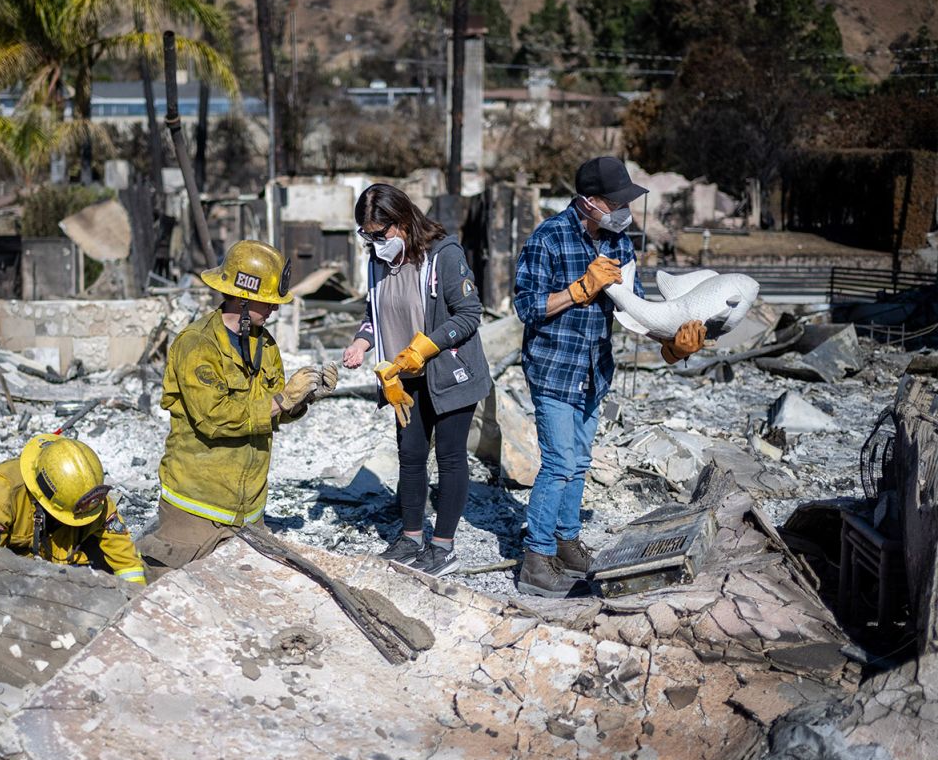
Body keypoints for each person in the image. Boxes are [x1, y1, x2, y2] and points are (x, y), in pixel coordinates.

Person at [513, 156, 707, 598]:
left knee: (579, 463)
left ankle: (565, 541)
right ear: (588, 201)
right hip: (554, 368)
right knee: (560, 462)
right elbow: (526, 307)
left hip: (593, 371)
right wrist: (579, 290)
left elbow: (636, 317)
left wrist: (674, 346)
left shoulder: (620, 245)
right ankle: (536, 558)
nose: (624, 210)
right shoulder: (549, 238)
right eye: (615, 202)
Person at [138, 240, 338, 576]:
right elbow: (214, 419)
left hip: (249, 511)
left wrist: (305, 398)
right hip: (197, 510)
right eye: (268, 301)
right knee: (176, 599)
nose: (275, 309)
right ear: (243, 297)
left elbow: (272, 412)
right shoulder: (197, 345)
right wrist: (281, 400)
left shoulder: (265, 344)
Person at [342, 183, 491, 577]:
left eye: (380, 233)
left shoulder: (444, 255)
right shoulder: (377, 262)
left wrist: (425, 347)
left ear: (403, 223)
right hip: (402, 377)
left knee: (450, 455)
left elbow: (469, 314)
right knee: (409, 456)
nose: (374, 242)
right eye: (367, 234)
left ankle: (443, 547)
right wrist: (361, 342)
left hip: (449, 373)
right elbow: (373, 313)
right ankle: (410, 538)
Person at [0, 434, 147, 585]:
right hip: (9, 550)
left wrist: (138, 596)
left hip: (55, 553)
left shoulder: (90, 497)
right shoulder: (0, 493)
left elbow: (125, 557)